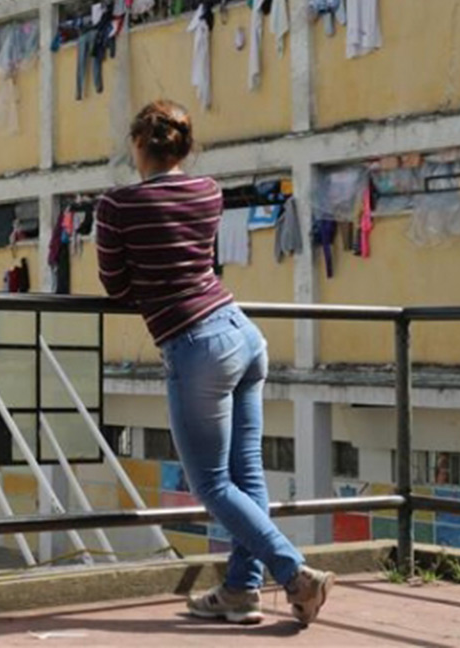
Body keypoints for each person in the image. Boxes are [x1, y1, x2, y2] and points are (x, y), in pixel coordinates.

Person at [95, 100, 335, 626]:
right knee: (246, 477)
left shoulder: (115, 205)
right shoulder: (208, 192)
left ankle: (295, 575)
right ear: (184, 145)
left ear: (138, 145)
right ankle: (239, 591)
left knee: (210, 485)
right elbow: (201, 262)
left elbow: (114, 285)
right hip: (242, 333)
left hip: (195, 346)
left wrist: (149, 274)